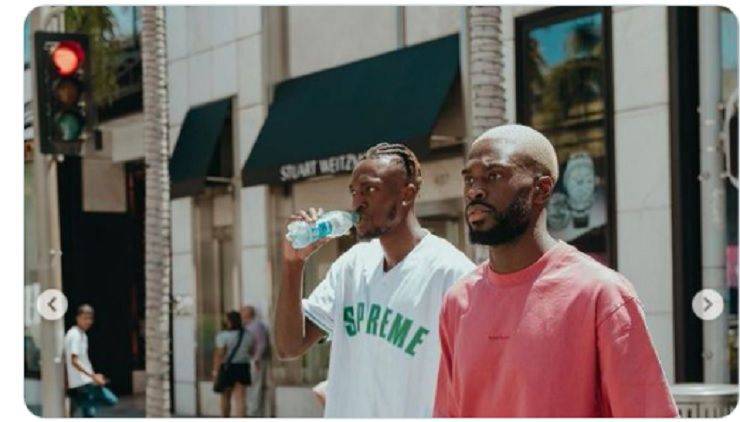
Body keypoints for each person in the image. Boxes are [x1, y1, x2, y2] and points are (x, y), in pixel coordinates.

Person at [433, 124, 679, 417]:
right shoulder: (458, 301)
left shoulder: (600, 294)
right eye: (469, 179)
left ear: (542, 188)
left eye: (494, 175)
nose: (475, 190)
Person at [275, 143, 475, 417]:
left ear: (407, 194)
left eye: (369, 189)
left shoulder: (451, 272)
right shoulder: (352, 265)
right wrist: (293, 265)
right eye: (354, 192)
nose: (358, 201)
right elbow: (289, 346)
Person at [64, 304, 118, 417]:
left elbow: (82, 360)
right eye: (85, 318)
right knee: (111, 400)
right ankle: (79, 402)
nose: (88, 321)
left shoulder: (81, 334)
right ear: (77, 318)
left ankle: (80, 402)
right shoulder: (75, 335)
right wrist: (93, 376)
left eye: (90, 318)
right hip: (84, 382)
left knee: (89, 414)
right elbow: (74, 361)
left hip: (83, 381)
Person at [213, 311, 254, 417]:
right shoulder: (248, 335)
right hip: (243, 367)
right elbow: (251, 352)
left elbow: (220, 354)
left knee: (225, 397)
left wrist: (215, 370)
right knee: (240, 399)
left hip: (227, 368)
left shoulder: (223, 336)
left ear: (229, 321)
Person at [240, 305, 270, 417]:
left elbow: (262, 344)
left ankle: (254, 414)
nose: (240, 313)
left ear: (248, 314)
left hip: (255, 362)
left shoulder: (256, 326)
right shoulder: (246, 326)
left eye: (242, 311)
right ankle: (251, 412)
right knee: (250, 389)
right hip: (248, 361)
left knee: (254, 389)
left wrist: (256, 359)